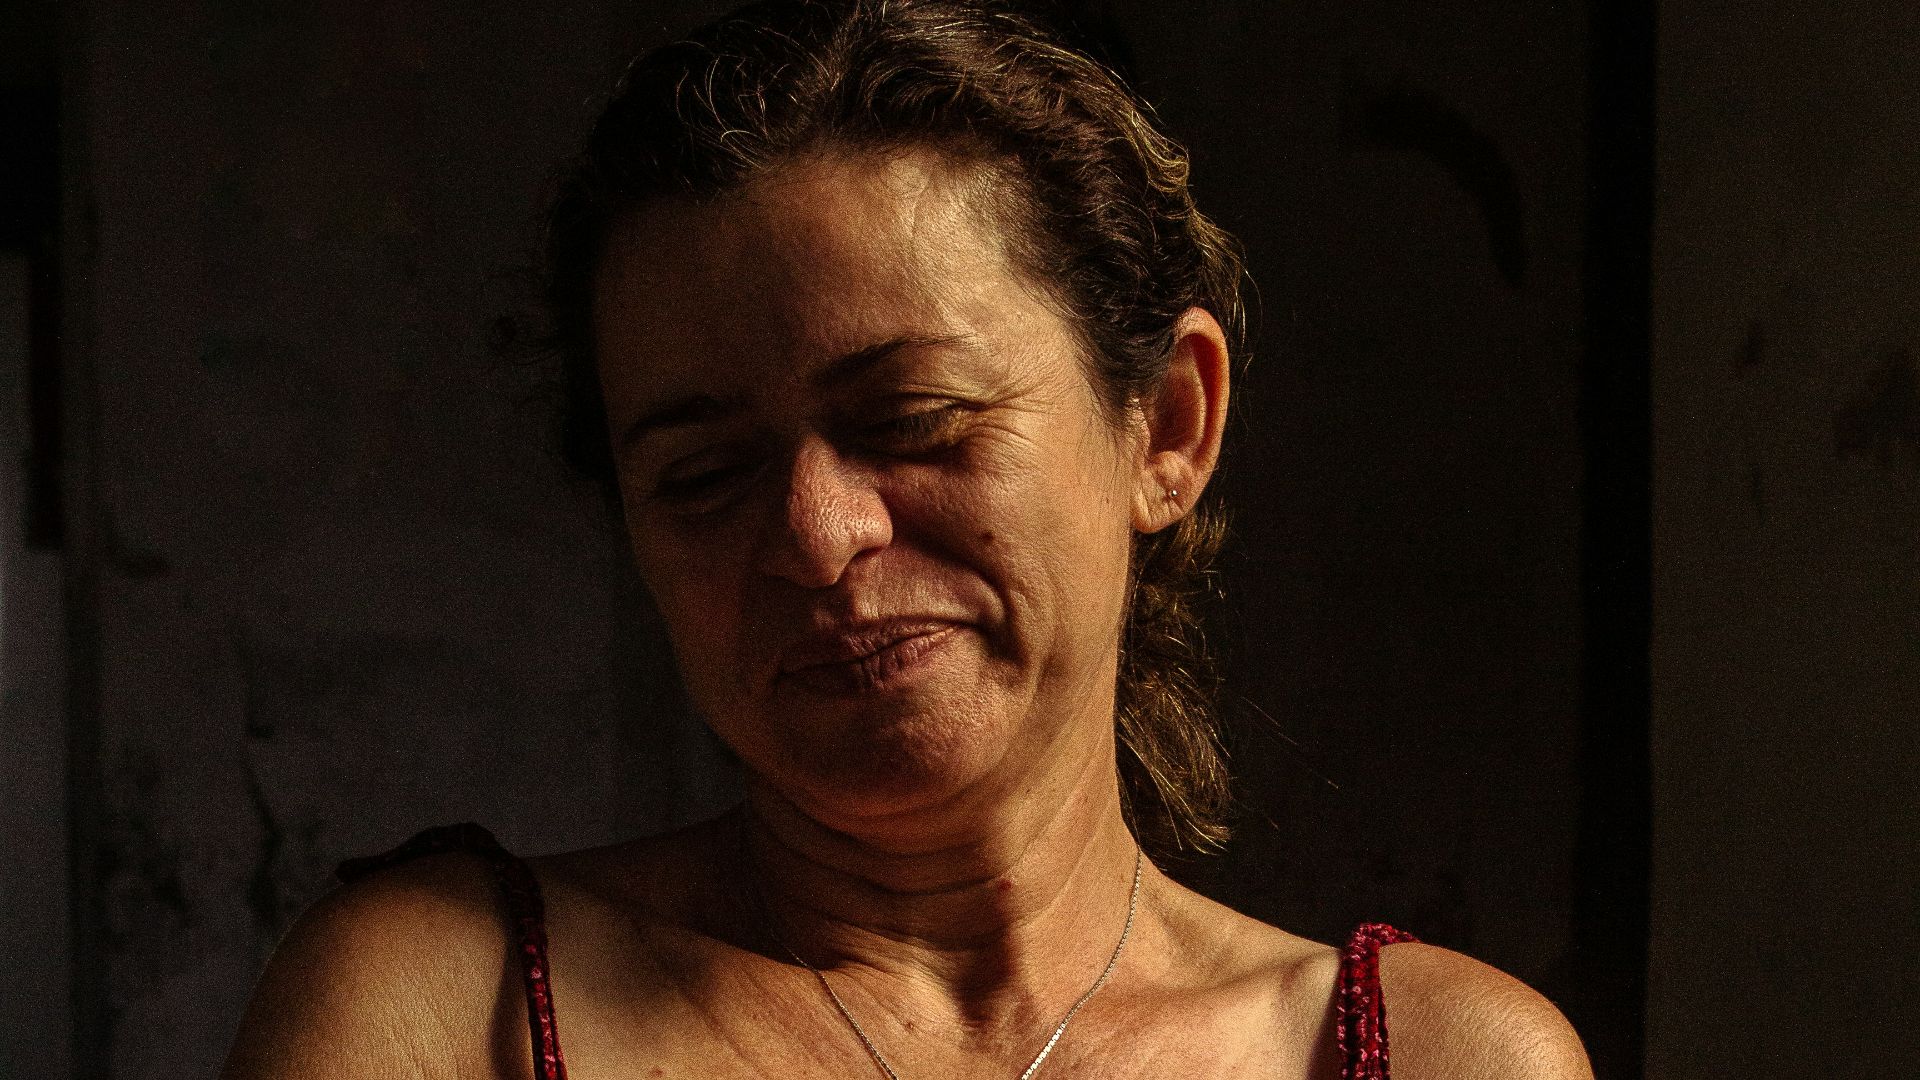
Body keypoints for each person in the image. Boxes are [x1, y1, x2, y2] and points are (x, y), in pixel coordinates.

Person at [220, 2, 1594, 1077]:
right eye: (704, 475)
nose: (816, 537)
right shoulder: (443, 1017)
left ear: (1168, 426)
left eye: (913, 420)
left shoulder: (1441, 1061)